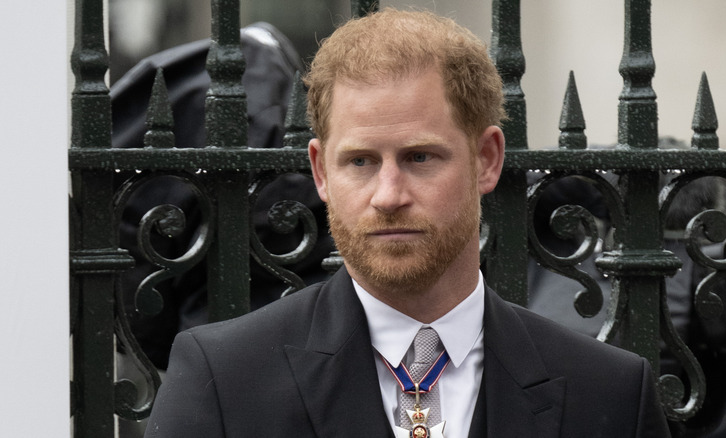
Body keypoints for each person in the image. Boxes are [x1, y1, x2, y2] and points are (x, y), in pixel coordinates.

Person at [145, 9, 672, 437]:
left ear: (487, 159)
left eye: (420, 158)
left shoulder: (609, 393)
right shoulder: (224, 378)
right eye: (360, 161)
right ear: (319, 171)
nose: (389, 196)